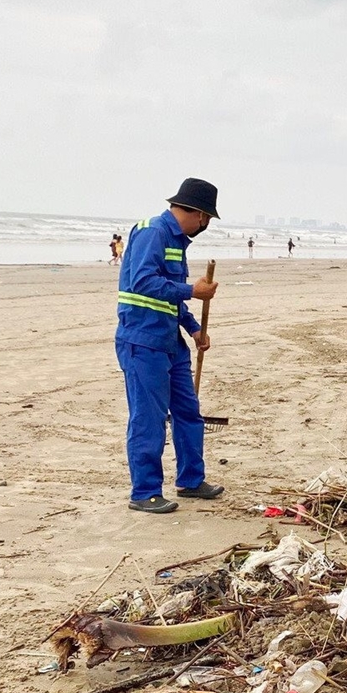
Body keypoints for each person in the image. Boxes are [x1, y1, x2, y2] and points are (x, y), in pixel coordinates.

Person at [115, 178, 223, 513]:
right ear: (200, 214)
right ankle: (145, 492)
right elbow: (143, 282)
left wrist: (193, 328)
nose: (205, 225)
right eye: (207, 219)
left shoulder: (176, 241)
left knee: (188, 412)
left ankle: (191, 481)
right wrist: (193, 291)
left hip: (170, 341)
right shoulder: (153, 232)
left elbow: (170, 297)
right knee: (149, 418)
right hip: (142, 340)